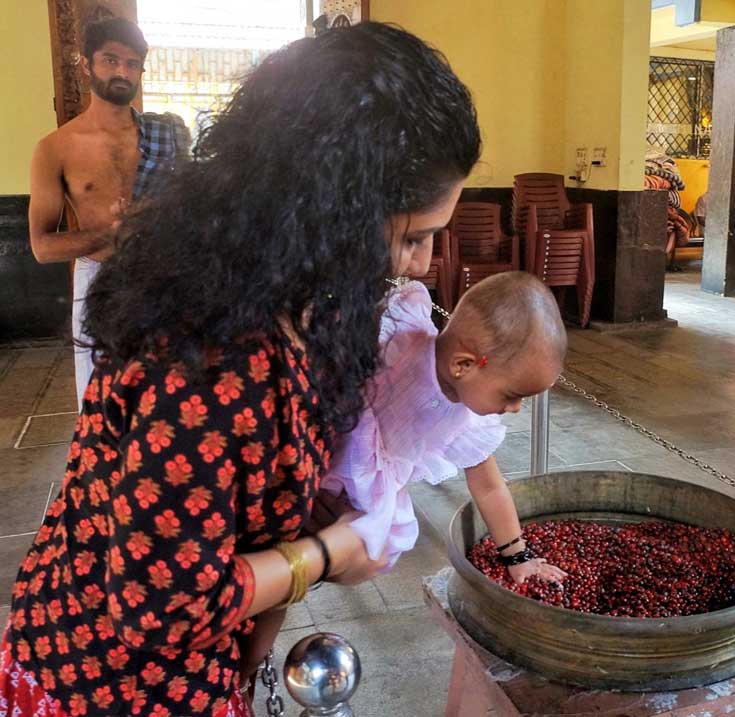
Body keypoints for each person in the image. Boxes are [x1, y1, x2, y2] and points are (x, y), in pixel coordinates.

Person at [1, 22, 479, 717]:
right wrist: (325, 552)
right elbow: (160, 607)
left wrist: (310, 509)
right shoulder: (210, 356)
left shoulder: (291, 298)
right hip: (109, 682)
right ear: (334, 211)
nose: (423, 263)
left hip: (202, 664)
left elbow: (240, 479)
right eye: (414, 236)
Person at [323, 271, 569, 583]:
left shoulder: (466, 420)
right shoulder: (399, 339)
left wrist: (517, 556)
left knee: (371, 548)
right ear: (463, 365)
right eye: (511, 395)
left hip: (354, 496)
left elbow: (490, 488)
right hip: (315, 450)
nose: (516, 408)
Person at [28, 17, 190, 405]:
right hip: (98, 277)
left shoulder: (165, 135)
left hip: (160, 275)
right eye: (111, 60)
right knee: (99, 396)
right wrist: (111, 233)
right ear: (86, 64)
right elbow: (42, 247)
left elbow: (190, 209)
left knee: (168, 393)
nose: (122, 72)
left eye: (132, 64)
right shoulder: (55, 148)